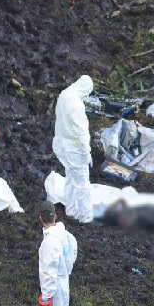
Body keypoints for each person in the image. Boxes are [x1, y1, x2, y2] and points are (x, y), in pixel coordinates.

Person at [37, 201, 78, 306]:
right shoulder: (66, 236)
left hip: (54, 287)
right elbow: (72, 254)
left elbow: (48, 270)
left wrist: (46, 295)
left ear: (40, 219)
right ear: (55, 215)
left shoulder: (49, 242)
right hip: (63, 282)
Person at [52, 75, 94, 223]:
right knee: (82, 182)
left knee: (70, 177)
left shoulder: (64, 94)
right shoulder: (75, 103)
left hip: (61, 143)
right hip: (74, 148)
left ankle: (71, 209)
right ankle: (85, 216)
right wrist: (86, 151)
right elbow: (80, 130)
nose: (87, 95)